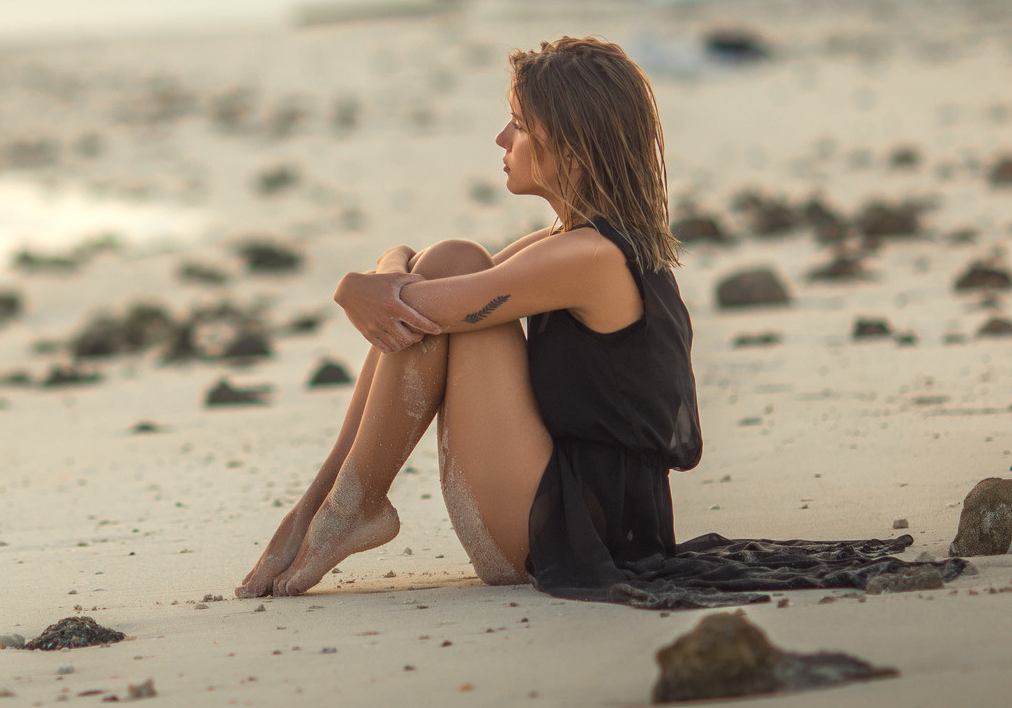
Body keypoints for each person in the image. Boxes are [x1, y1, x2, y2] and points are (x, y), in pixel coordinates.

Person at [238, 35, 701, 599]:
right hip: (562, 504)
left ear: (574, 152)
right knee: (453, 258)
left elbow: (420, 305)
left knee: (442, 290)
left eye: (520, 126)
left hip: (573, 532)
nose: (502, 138)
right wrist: (381, 274)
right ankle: (328, 504)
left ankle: (350, 506)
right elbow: (428, 282)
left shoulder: (590, 258)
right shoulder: (571, 244)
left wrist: (355, 284)